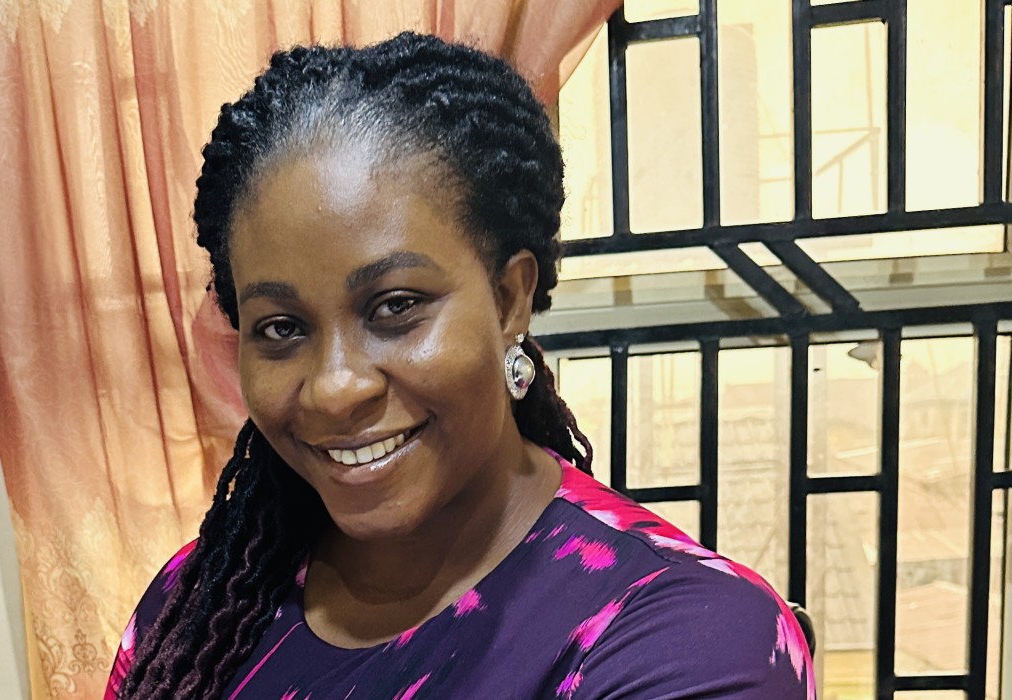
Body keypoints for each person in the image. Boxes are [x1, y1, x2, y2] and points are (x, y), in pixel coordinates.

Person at [107, 31, 814, 700]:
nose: (333, 389)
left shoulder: (686, 638)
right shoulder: (197, 609)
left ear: (509, 299)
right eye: (281, 328)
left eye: (395, 307)